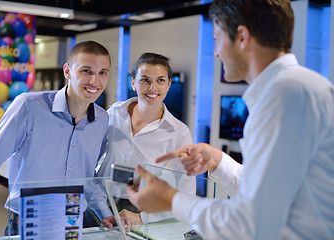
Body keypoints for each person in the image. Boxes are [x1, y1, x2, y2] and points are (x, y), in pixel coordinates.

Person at [127, 0, 334, 239]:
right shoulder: (293, 88)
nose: (215, 52)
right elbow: (269, 194)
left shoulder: (286, 95)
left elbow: (251, 219)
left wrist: (172, 200)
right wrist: (218, 161)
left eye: (217, 38)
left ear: (242, 37)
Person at [0, 40, 130, 235]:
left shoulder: (101, 119)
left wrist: (104, 213)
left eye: (102, 73)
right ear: (67, 71)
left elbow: (88, 179)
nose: (94, 81)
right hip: (28, 221)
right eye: (86, 71)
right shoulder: (28, 106)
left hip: (72, 221)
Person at [98, 52, 196, 225]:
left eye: (160, 80)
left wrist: (142, 218)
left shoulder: (178, 131)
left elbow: (187, 193)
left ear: (168, 85)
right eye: (145, 80)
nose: (153, 88)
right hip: (99, 201)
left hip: (138, 209)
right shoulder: (114, 113)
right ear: (133, 82)